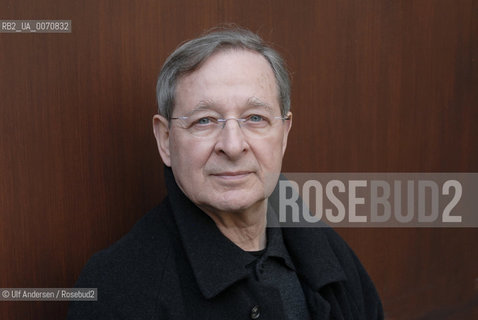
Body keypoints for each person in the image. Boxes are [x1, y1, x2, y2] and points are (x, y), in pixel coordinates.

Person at [68, 27, 383, 320]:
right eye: (204, 120)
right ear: (165, 139)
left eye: (255, 118)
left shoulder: (324, 248)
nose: (232, 146)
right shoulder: (119, 289)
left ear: (284, 134)